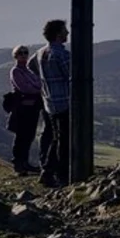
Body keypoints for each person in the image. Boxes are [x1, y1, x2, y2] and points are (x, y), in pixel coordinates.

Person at [36, 19, 71, 187]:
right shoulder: (61, 54)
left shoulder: (40, 53)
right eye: (64, 31)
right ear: (58, 34)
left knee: (56, 138)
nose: (67, 33)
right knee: (64, 141)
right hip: (64, 101)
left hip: (49, 102)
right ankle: (61, 175)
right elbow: (71, 76)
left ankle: (48, 171)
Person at [7, 45, 42, 176]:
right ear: (15, 56)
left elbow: (37, 84)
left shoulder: (29, 72)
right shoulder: (15, 71)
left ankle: (25, 162)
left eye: (25, 53)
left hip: (32, 108)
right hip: (22, 108)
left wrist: (36, 88)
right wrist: (38, 89)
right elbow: (25, 88)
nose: (23, 55)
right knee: (21, 136)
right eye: (20, 53)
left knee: (29, 136)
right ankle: (18, 164)